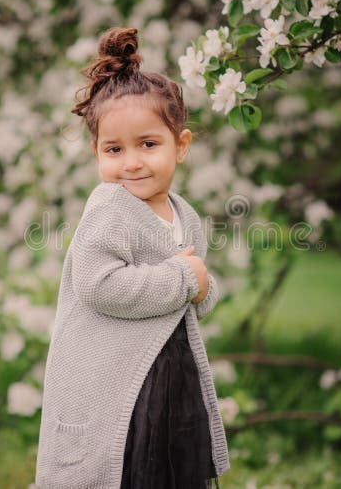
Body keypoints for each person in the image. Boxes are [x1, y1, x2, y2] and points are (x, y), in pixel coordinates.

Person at [33, 26, 230, 489]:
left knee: (174, 465)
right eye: (114, 149)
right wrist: (184, 279)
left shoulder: (185, 214)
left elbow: (192, 288)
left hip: (171, 370)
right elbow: (100, 286)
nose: (131, 162)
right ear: (96, 152)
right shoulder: (109, 210)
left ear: (179, 146)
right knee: (132, 467)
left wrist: (201, 285)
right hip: (123, 382)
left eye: (148, 144)